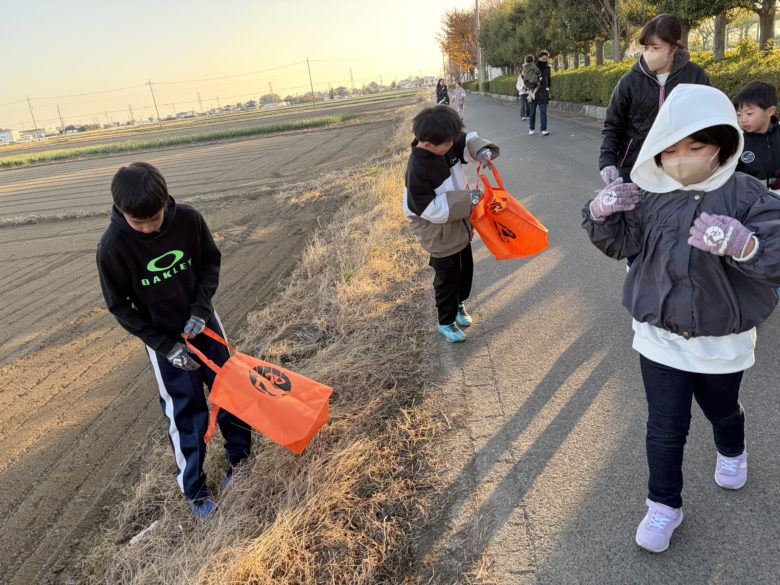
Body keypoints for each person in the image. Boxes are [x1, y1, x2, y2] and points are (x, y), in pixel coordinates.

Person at [582, 84, 780, 553]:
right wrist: (600, 215)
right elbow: (621, 245)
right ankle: (663, 504)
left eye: (696, 147)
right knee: (664, 425)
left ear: (722, 146)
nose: (681, 159)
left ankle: (732, 450)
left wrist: (747, 246)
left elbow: (775, 251)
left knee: (721, 410)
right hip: (660, 335)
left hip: (721, 340)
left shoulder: (747, 194)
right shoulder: (650, 194)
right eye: (670, 150)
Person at [96, 162, 252, 518]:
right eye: (138, 223)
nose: (149, 228)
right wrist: (167, 347)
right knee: (185, 411)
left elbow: (210, 263)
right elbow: (120, 307)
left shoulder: (189, 220)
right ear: (121, 211)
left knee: (231, 391)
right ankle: (195, 489)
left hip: (205, 327)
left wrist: (201, 308)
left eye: (155, 218)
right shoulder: (112, 246)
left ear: (165, 200)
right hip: (164, 341)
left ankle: (240, 460)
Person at [403, 105, 500, 343]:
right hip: (437, 230)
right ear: (428, 144)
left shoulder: (444, 144)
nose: (452, 144)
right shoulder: (417, 169)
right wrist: (468, 200)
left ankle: (459, 304)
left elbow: (466, 141)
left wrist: (482, 151)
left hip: (457, 222)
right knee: (447, 276)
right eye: (448, 143)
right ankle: (445, 321)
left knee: (465, 269)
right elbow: (427, 208)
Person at [599, 14, 709, 185]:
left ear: (674, 47)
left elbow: (708, 120)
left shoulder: (695, 75)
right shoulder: (629, 81)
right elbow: (613, 125)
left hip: (680, 166)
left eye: (656, 48)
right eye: (645, 47)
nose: (649, 53)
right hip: (636, 167)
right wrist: (607, 161)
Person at [734, 81, 780, 195]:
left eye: (749, 113)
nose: (742, 120)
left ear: (770, 111)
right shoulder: (737, 141)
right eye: (739, 114)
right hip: (748, 199)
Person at [528, 50, 551, 136]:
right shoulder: (534, 68)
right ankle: (531, 128)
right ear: (539, 58)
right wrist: (530, 92)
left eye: (546, 59)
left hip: (544, 92)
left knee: (543, 112)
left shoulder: (548, 68)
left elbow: (549, 80)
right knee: (532, 112)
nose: (545, 61)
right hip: (534, 92)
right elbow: (529, 80)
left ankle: (543, 129)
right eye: (543, 59)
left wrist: (549, 90)